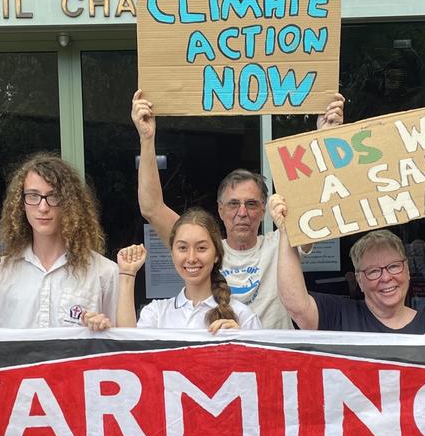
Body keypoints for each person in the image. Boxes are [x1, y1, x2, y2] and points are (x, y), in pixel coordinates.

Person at [131, 89, 345, 329]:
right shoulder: (203, 248)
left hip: (273, 361)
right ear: (220, 210)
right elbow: (151, 207)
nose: (242, 212)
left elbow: (314, 202)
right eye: (233, 204)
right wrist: (146, 139)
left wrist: (324, 138)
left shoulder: (281, 242)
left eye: (251, 204)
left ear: (263, 210)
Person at [0, 153, 117, 330]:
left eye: (54, 196)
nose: (43, 207)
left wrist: (104, 328)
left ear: (70, 203)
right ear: (20, 204)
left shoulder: (104, 272)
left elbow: (124, 343)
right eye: (33, 196)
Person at [270, 195, 425, 338]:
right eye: (373, 271)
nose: (386, 278)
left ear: (408, 271)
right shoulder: (339, 315)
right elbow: (295, 305)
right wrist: (287, 232)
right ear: (359, 281)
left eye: (393, 266)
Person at [113, 209, 261, 333]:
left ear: (216, 254)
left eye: (201, 248)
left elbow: (263, 365)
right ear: (172, 254)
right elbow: (130, 350)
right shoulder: (157, 313)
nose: (191, 258)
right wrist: (127, 274)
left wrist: (239, 342)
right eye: (183, 248)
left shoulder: (243, 317)